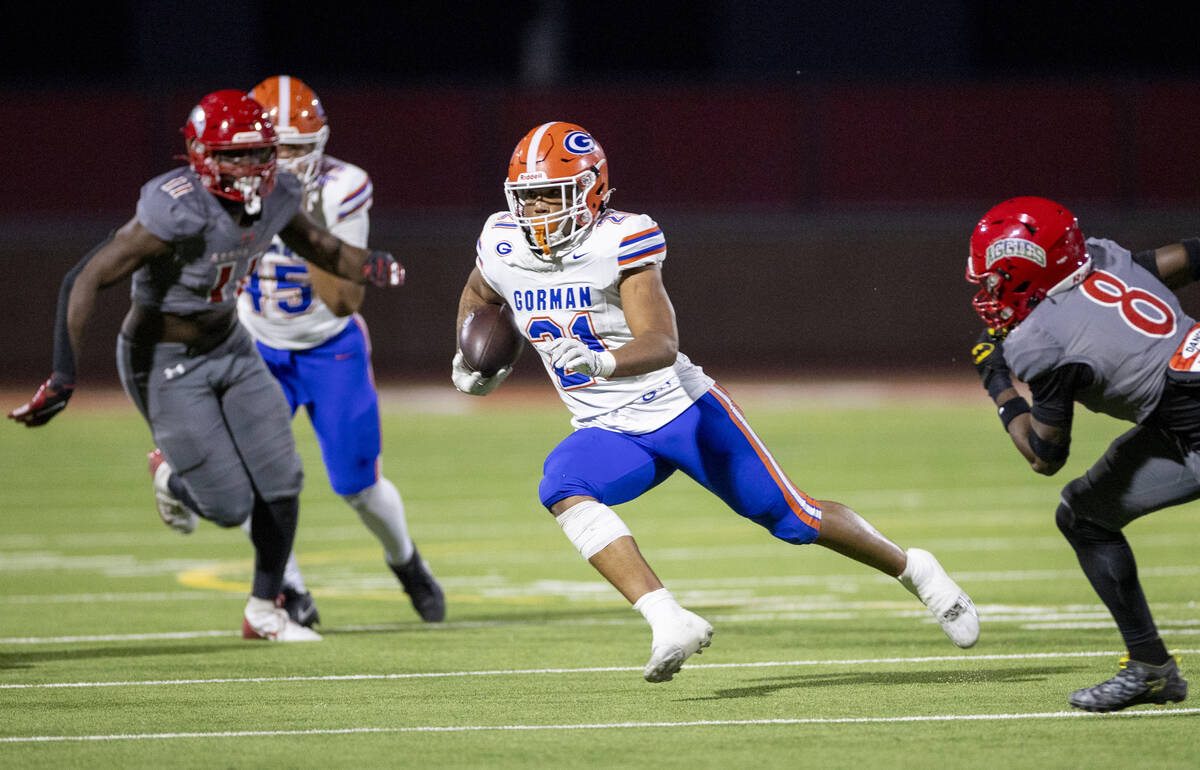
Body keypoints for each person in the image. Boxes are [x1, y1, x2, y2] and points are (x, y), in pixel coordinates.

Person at [452, 121, 980, 683]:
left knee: (794, 520)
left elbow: (661, 343)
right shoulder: (501, 242)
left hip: (683, 413)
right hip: (606, 427)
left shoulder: (621, 238)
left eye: (552, 196)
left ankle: (914, 569)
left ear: (592, 190)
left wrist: (604, 361)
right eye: (527, 197)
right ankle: (668, 619)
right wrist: (475, 362)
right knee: (561, 485)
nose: (538, 211)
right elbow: (480, 296)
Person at [8, 89, 404, 642]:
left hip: (232, 347)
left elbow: (323, 248)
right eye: (234, 156)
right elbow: (86, 276)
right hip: (165, 360)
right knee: (228, 505)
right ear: (200, 155)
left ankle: (265, 610)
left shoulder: (281, 190)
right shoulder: (175, 207)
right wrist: (63, 373)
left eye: (260, 154)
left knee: (283, 481)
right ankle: (170, 475)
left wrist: (373, 265)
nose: (250, 168)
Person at [194, 74, 440, 627]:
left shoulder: (342, 187)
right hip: (257, 346)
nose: (287, 161)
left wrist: (295, 218)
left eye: (299, 149)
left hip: (329, 348)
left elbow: (343, 300)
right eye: (275, 149)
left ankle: (407, 562)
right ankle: (289, 589)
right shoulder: (219, 187)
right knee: (250, 475)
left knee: (359, 486)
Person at [967, 196, 1191, 712]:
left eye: (994, 279)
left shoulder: (1041, 340)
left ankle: (1151, 667)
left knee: (1082, 514)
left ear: (1024, 271)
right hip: (1179, 418)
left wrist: (998, 382)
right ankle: (1150, 669)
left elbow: (1045, 454)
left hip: (1187, 418)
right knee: (1086, 515)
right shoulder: (1112, 262)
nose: (988, 290)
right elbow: (1190, 255)